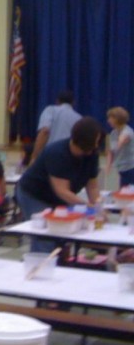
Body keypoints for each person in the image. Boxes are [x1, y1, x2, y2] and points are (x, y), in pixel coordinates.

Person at [17, 116, 103, 253]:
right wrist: (86, 205)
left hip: (58, 198)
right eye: (96, 140)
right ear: (85, 141)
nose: (98, 144)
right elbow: (61, 191)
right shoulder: (57, 153)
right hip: (34, 194)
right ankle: (40, 264)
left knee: (65, 234)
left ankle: (60, 266)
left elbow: (92, 186)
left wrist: (98, 208)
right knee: (46, 234)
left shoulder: (92, 155)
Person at [31, 90, 81, 163]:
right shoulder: (79, 118)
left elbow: (44, 132)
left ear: (57, 101)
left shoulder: (50, 110)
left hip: (50, 157)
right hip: (70, 160)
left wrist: (34, 157)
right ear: (73, 103)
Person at [106, 106, 134, 188]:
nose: (108, 121)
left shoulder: (127, 131)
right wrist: (108, 166)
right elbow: (110, 151)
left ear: (116, 119)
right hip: (121, 168)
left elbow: (120, 142)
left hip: (131, 167)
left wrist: (119, 143)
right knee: (123, 191)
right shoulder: (113, 133)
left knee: (128, 192)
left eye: (110, 118)